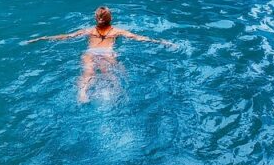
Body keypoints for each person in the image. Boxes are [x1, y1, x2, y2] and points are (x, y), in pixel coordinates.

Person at [24, 6, 175, 103]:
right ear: (111, 19)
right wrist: (161, 42)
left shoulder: (89, 30)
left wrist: (42, 38)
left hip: (90, 53)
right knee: (112, 74)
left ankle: (83, 93)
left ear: (96, 19)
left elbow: (66, 37)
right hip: (108, 54)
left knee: (87, 73)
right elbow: (140, 38)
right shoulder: (117, 31)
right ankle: (116, 94)